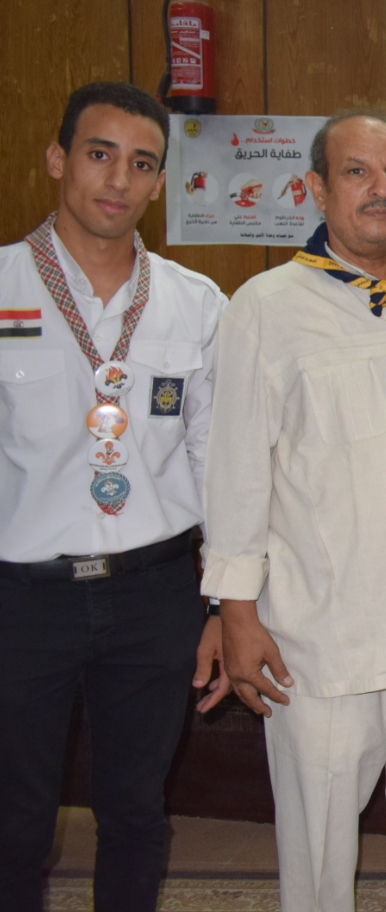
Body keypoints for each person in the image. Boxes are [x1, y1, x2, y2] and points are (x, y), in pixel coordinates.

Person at [201, 110, 386, 912]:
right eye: (359, 172)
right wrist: (235, 613)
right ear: (317, 188)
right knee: (320, 864)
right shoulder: (265, 308)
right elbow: (235, 470)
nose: (381, 190)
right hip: (326, 642)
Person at [0, 82, 229, 912]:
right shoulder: (4, 284)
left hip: (153, 593)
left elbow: (216, 462)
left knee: (136, 813)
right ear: (57, 159)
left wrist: (221, 603)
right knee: (14, 824)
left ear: (159, 183)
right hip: (23, 598)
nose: (118, 179)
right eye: (99, 154)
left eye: (141, 164)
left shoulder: (195, 303)